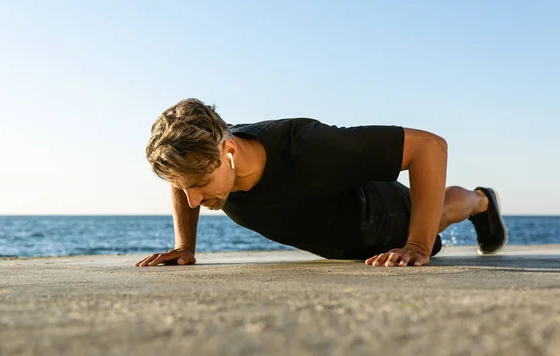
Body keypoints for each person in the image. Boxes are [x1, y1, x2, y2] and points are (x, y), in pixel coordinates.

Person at [135, 98, 508, 268]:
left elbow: (429, 148)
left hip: (377, 214)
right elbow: (181, 177)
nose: (194, 199)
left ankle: (480, 202)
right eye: (186, 186)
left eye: (200, 183)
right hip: (341, 243)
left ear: (229, 150)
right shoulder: (203, 158)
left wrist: (416, 244)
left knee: (439, 212)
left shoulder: (309, 146)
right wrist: (185, 246)